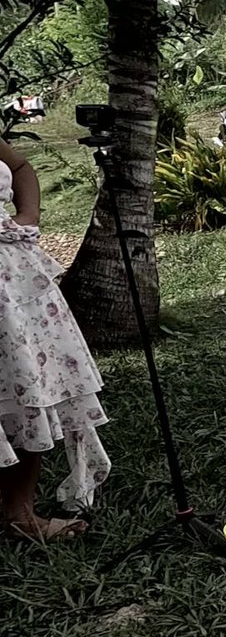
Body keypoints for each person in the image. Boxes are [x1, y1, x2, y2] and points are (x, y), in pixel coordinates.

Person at [0, 133, 112, 542]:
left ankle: (19, 512)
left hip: (14, 278)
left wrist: (28, 216)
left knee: (31, 387)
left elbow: (21, 167)